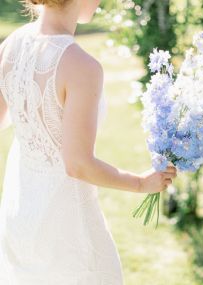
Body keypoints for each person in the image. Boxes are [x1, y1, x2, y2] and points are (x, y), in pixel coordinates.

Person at [0, 0, 177, 284]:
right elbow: (78, 164)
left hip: (20, 209)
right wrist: (141, 183)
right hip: (64, 222)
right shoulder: (81, 67)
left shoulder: (12, 45)